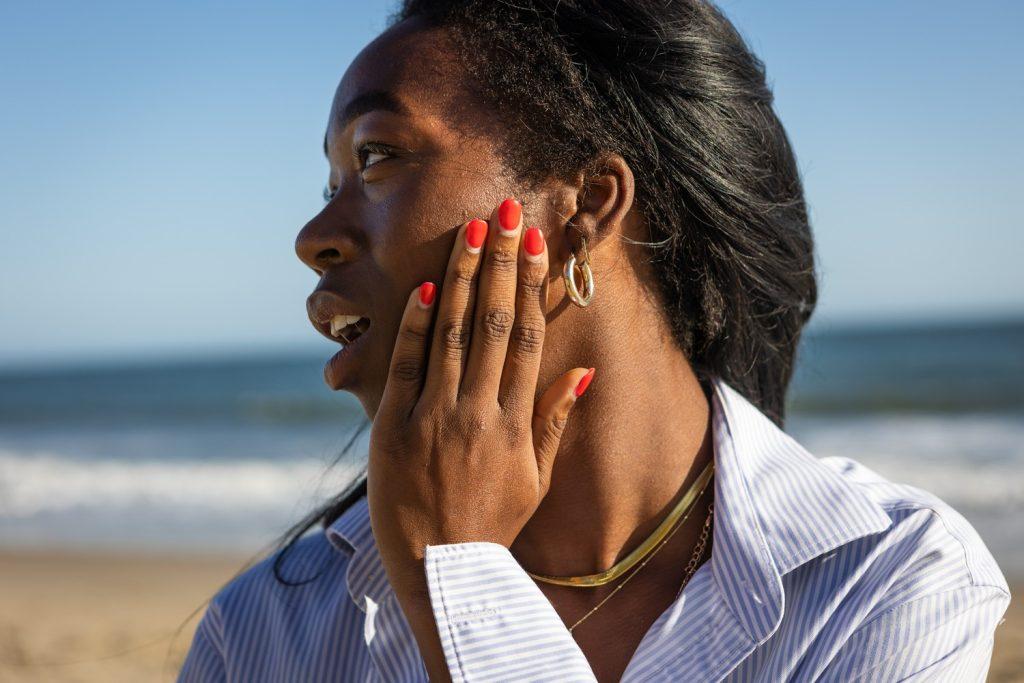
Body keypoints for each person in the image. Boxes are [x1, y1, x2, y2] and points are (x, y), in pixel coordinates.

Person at [178, 1, 1010, 680]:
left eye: (378, 156)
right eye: (331, 181)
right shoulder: (266, 634)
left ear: (587, 206)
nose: (314, 234)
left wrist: (454, 571)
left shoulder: (886, 579)